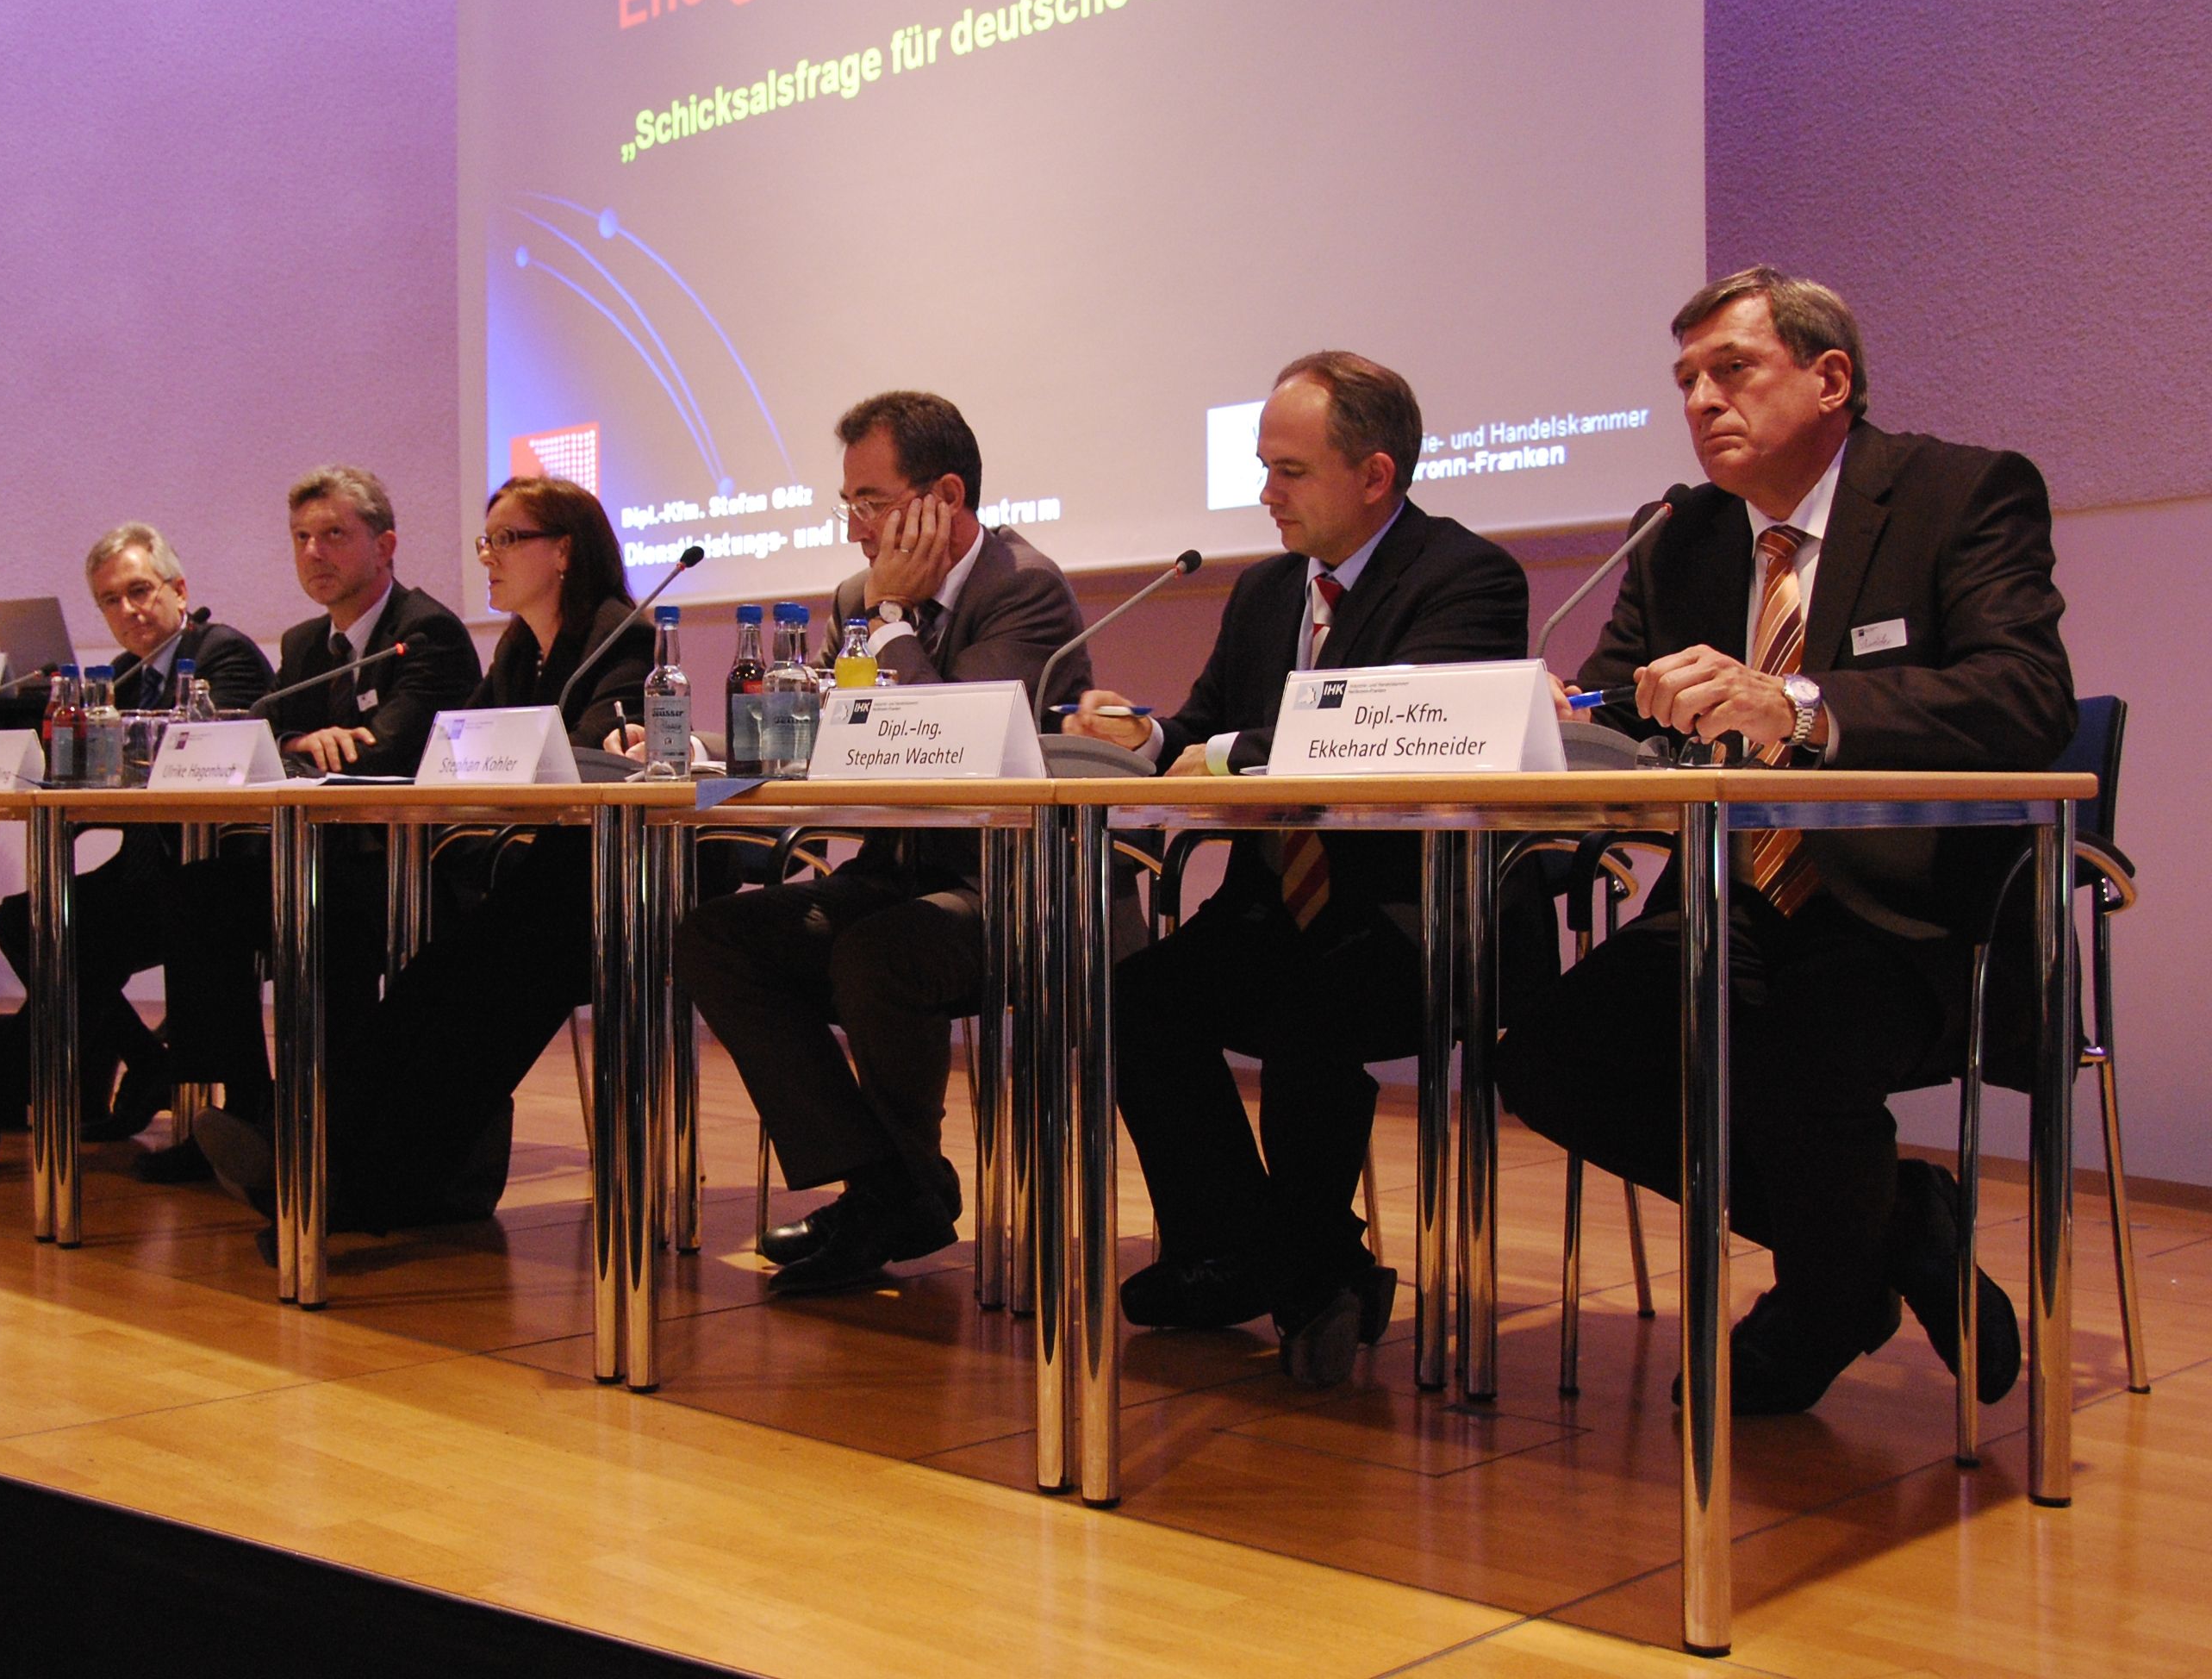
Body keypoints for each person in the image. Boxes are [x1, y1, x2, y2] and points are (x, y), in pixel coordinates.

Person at [1495, 266, 2077, 1414]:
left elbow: (2024, 695)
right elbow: (1620, 711)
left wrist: (1797, 705)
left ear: (1830, 379)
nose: (1701, 400)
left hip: (1912, 917)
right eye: (1685, 381)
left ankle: (1817, 1306)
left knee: (1789, 1044)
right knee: (1549, 1057)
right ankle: (1891, 1230)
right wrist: (1566, 721)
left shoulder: (1961, 493)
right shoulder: (1677, 536)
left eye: (1732, 369)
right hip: (1726, 905)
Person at [1064, 351, 1539, 1386]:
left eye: (1288, 471)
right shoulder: (1266, 588)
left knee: (1306, 1010)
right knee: (1129, 998)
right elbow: (1204, 723)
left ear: (1373, 474)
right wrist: (1141, 733)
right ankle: (1259, 1254)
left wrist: (1216, 749)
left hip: (1417, 911)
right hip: (1275, 904)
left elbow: (1387, 725)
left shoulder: (1465, 576)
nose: (1265, 493)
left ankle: (1292, 1267)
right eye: (1261, 468)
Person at [676, 391, 1092, 1295]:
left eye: (871, 501)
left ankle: (887, 1197)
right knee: (719, 934)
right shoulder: (852, 599)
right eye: (849, 504)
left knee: (880, 951)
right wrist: (695, 754)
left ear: (945, 496)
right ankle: (889, 1185)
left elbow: (951, 750)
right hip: (891, 876)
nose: (856, 529)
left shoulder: (1023, 589)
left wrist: (893, 617)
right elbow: (829, 738)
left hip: (1009, 888)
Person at [192, 477, 651, 1236]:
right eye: (486, 540)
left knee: (470, 995)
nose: (488, 556)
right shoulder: (520, 648)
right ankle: (321, 1163)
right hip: (530, 885)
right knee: (427, 988)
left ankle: (343, 1182)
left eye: (507, 540)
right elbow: (452, 749)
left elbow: (587, 761)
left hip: (602, 892)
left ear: (564, 552)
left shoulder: (619, 636)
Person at [0, 521, 271, 1177]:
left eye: (140, 591)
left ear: (179, 590)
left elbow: (206, 758)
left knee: (75, 949)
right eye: (110, 601)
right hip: (147, 875)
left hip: (213, 875)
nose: (128, 610)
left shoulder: (221, 654)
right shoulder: (118, 677)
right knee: (29, 920)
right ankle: (143, 1063)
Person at [143, 464, 482, 1183]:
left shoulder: (427, 633)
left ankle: (332, 1135)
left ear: (385, 546)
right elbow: (261, 733)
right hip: (323, 861)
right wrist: (300, 741)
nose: (313, 552)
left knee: (319, 920)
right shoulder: (303, 644)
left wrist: (296, 746)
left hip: (411, 870)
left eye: (333, 534)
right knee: (197, 894)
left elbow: (382, 753)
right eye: (300, 537)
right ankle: (246, 1111)